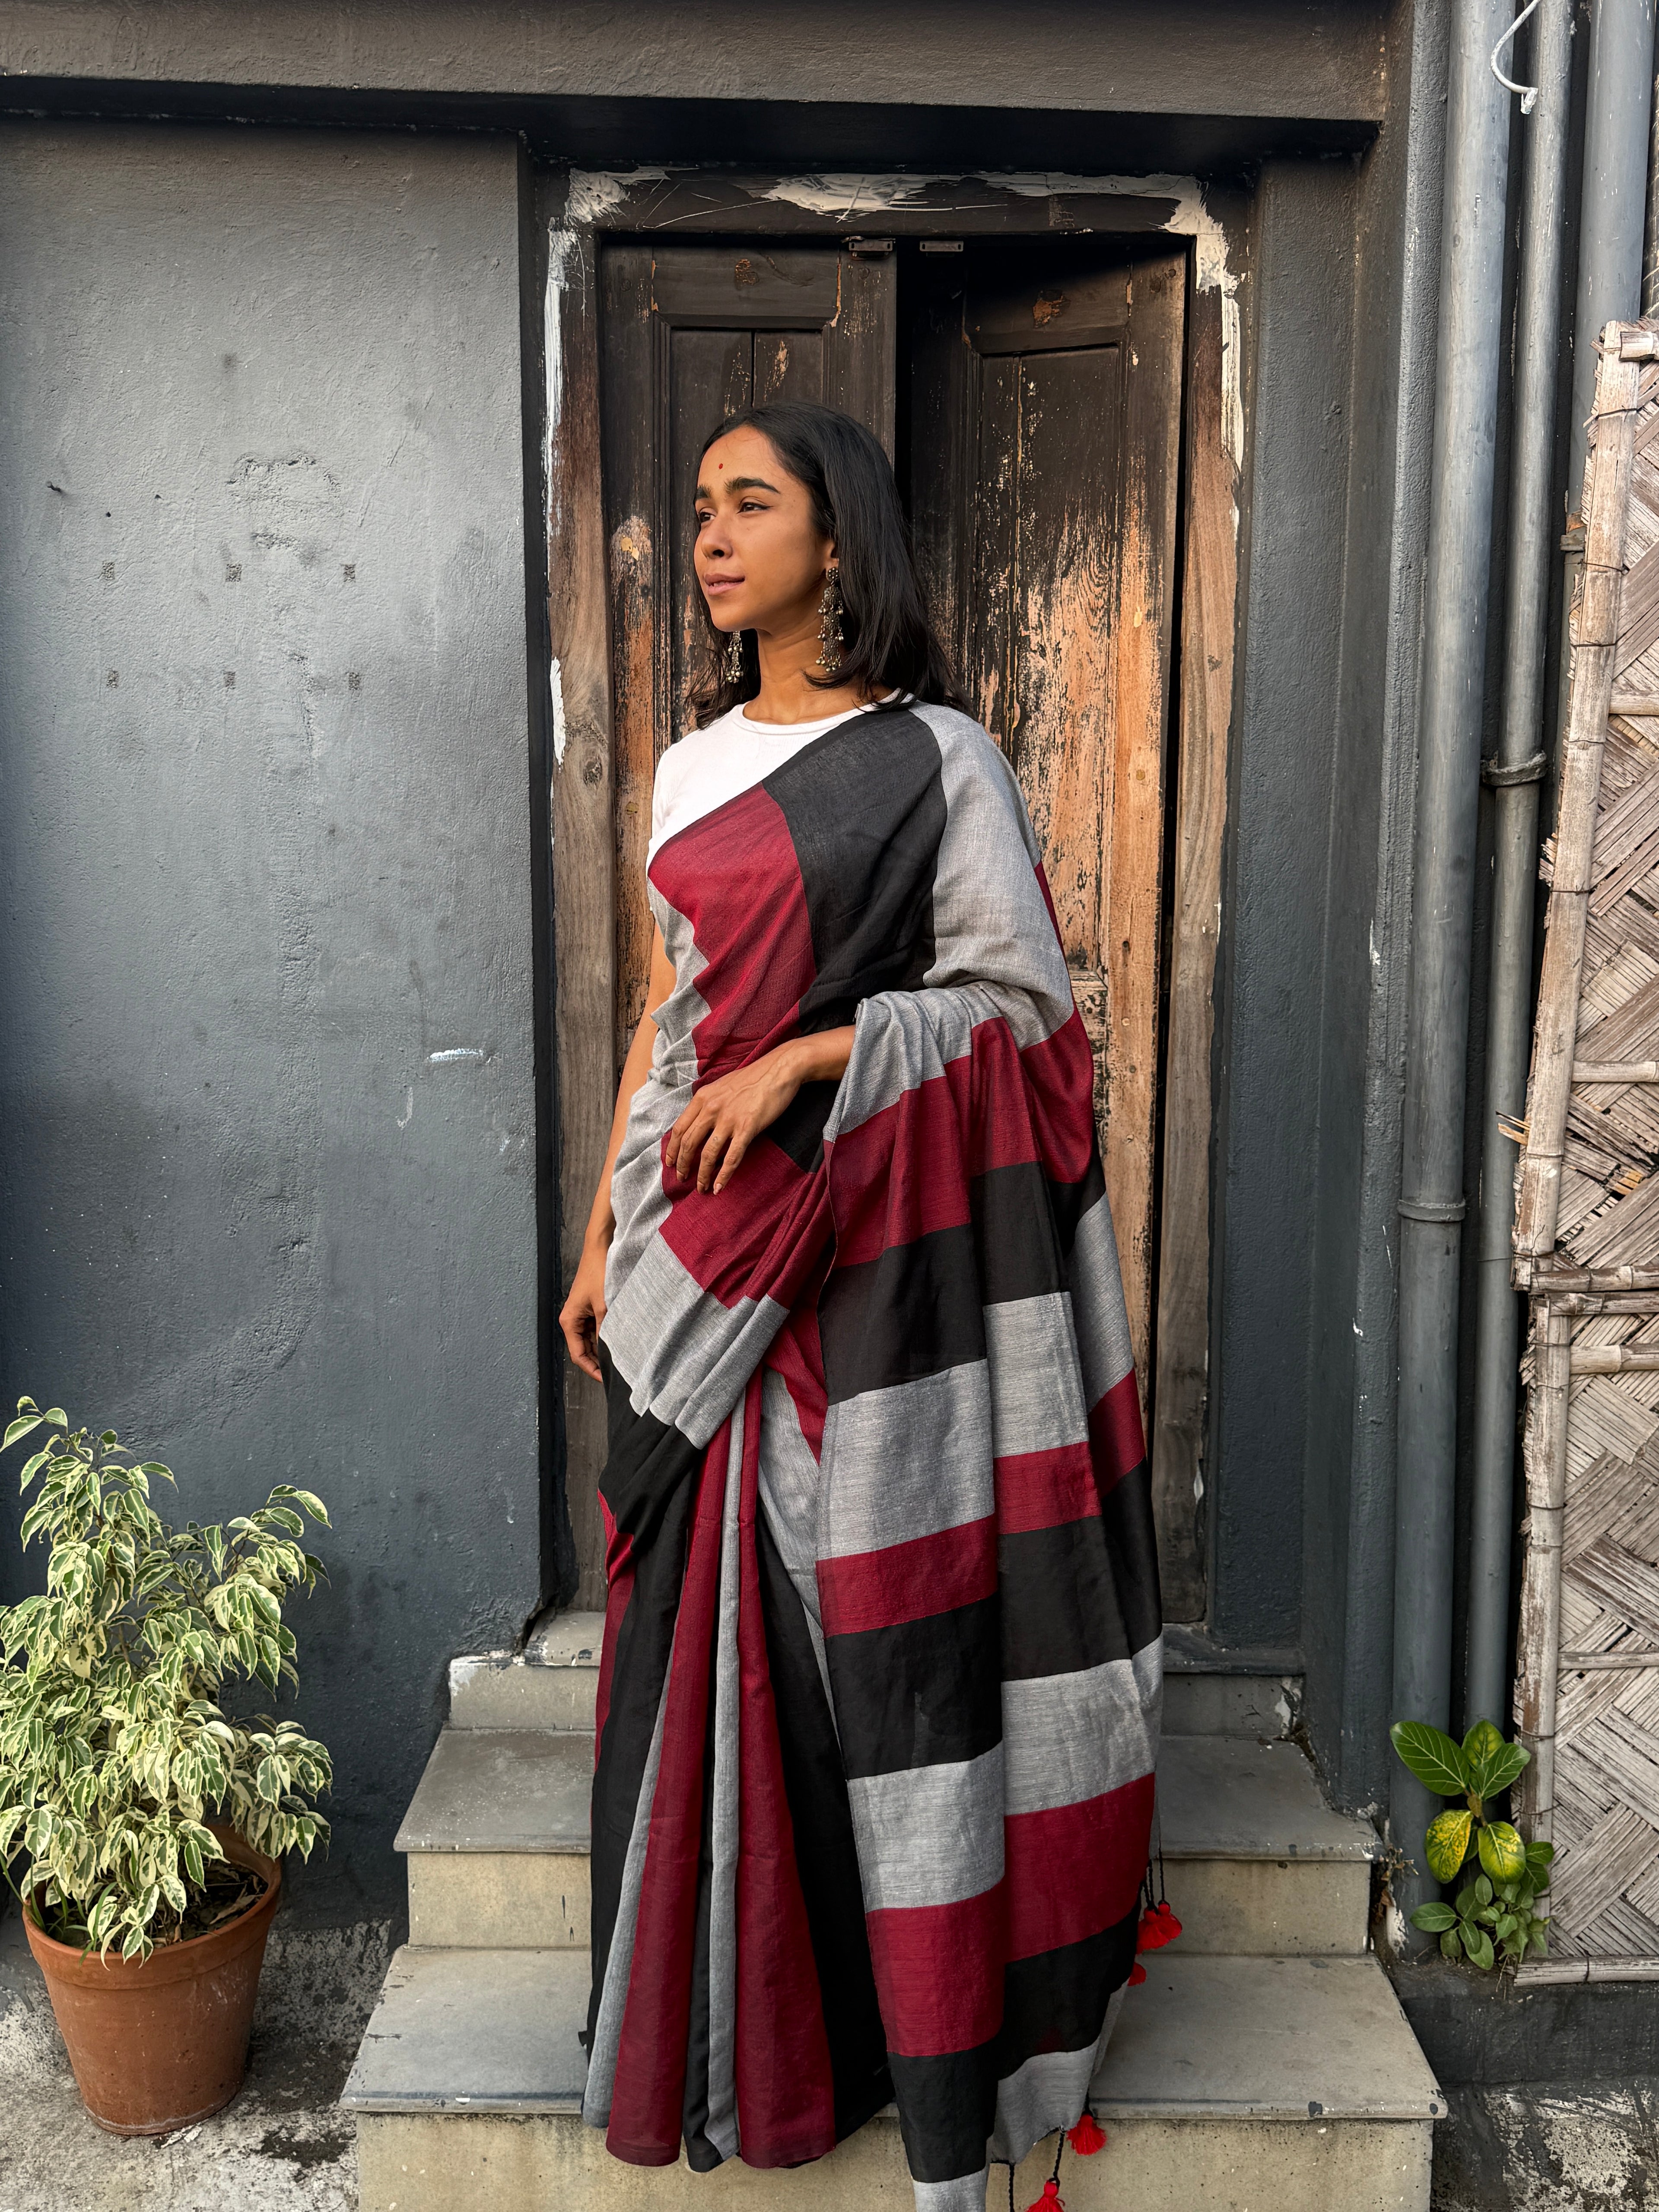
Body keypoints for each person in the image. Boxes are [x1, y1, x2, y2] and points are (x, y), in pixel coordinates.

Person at [559, 400, 1161, 2211]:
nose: (713, 535)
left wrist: (828, 1044)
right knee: (709, 1639)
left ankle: (930, 2047)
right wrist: (604, 1228)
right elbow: (673, 1030)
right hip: (700, 1252)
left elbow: (1020, 1015)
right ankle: (737, 2033)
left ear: (842, 540)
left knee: (882, 1646)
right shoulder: (686, 768)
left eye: (753, 504)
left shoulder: (936, 759)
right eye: (703, 507)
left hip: (872, 1271)